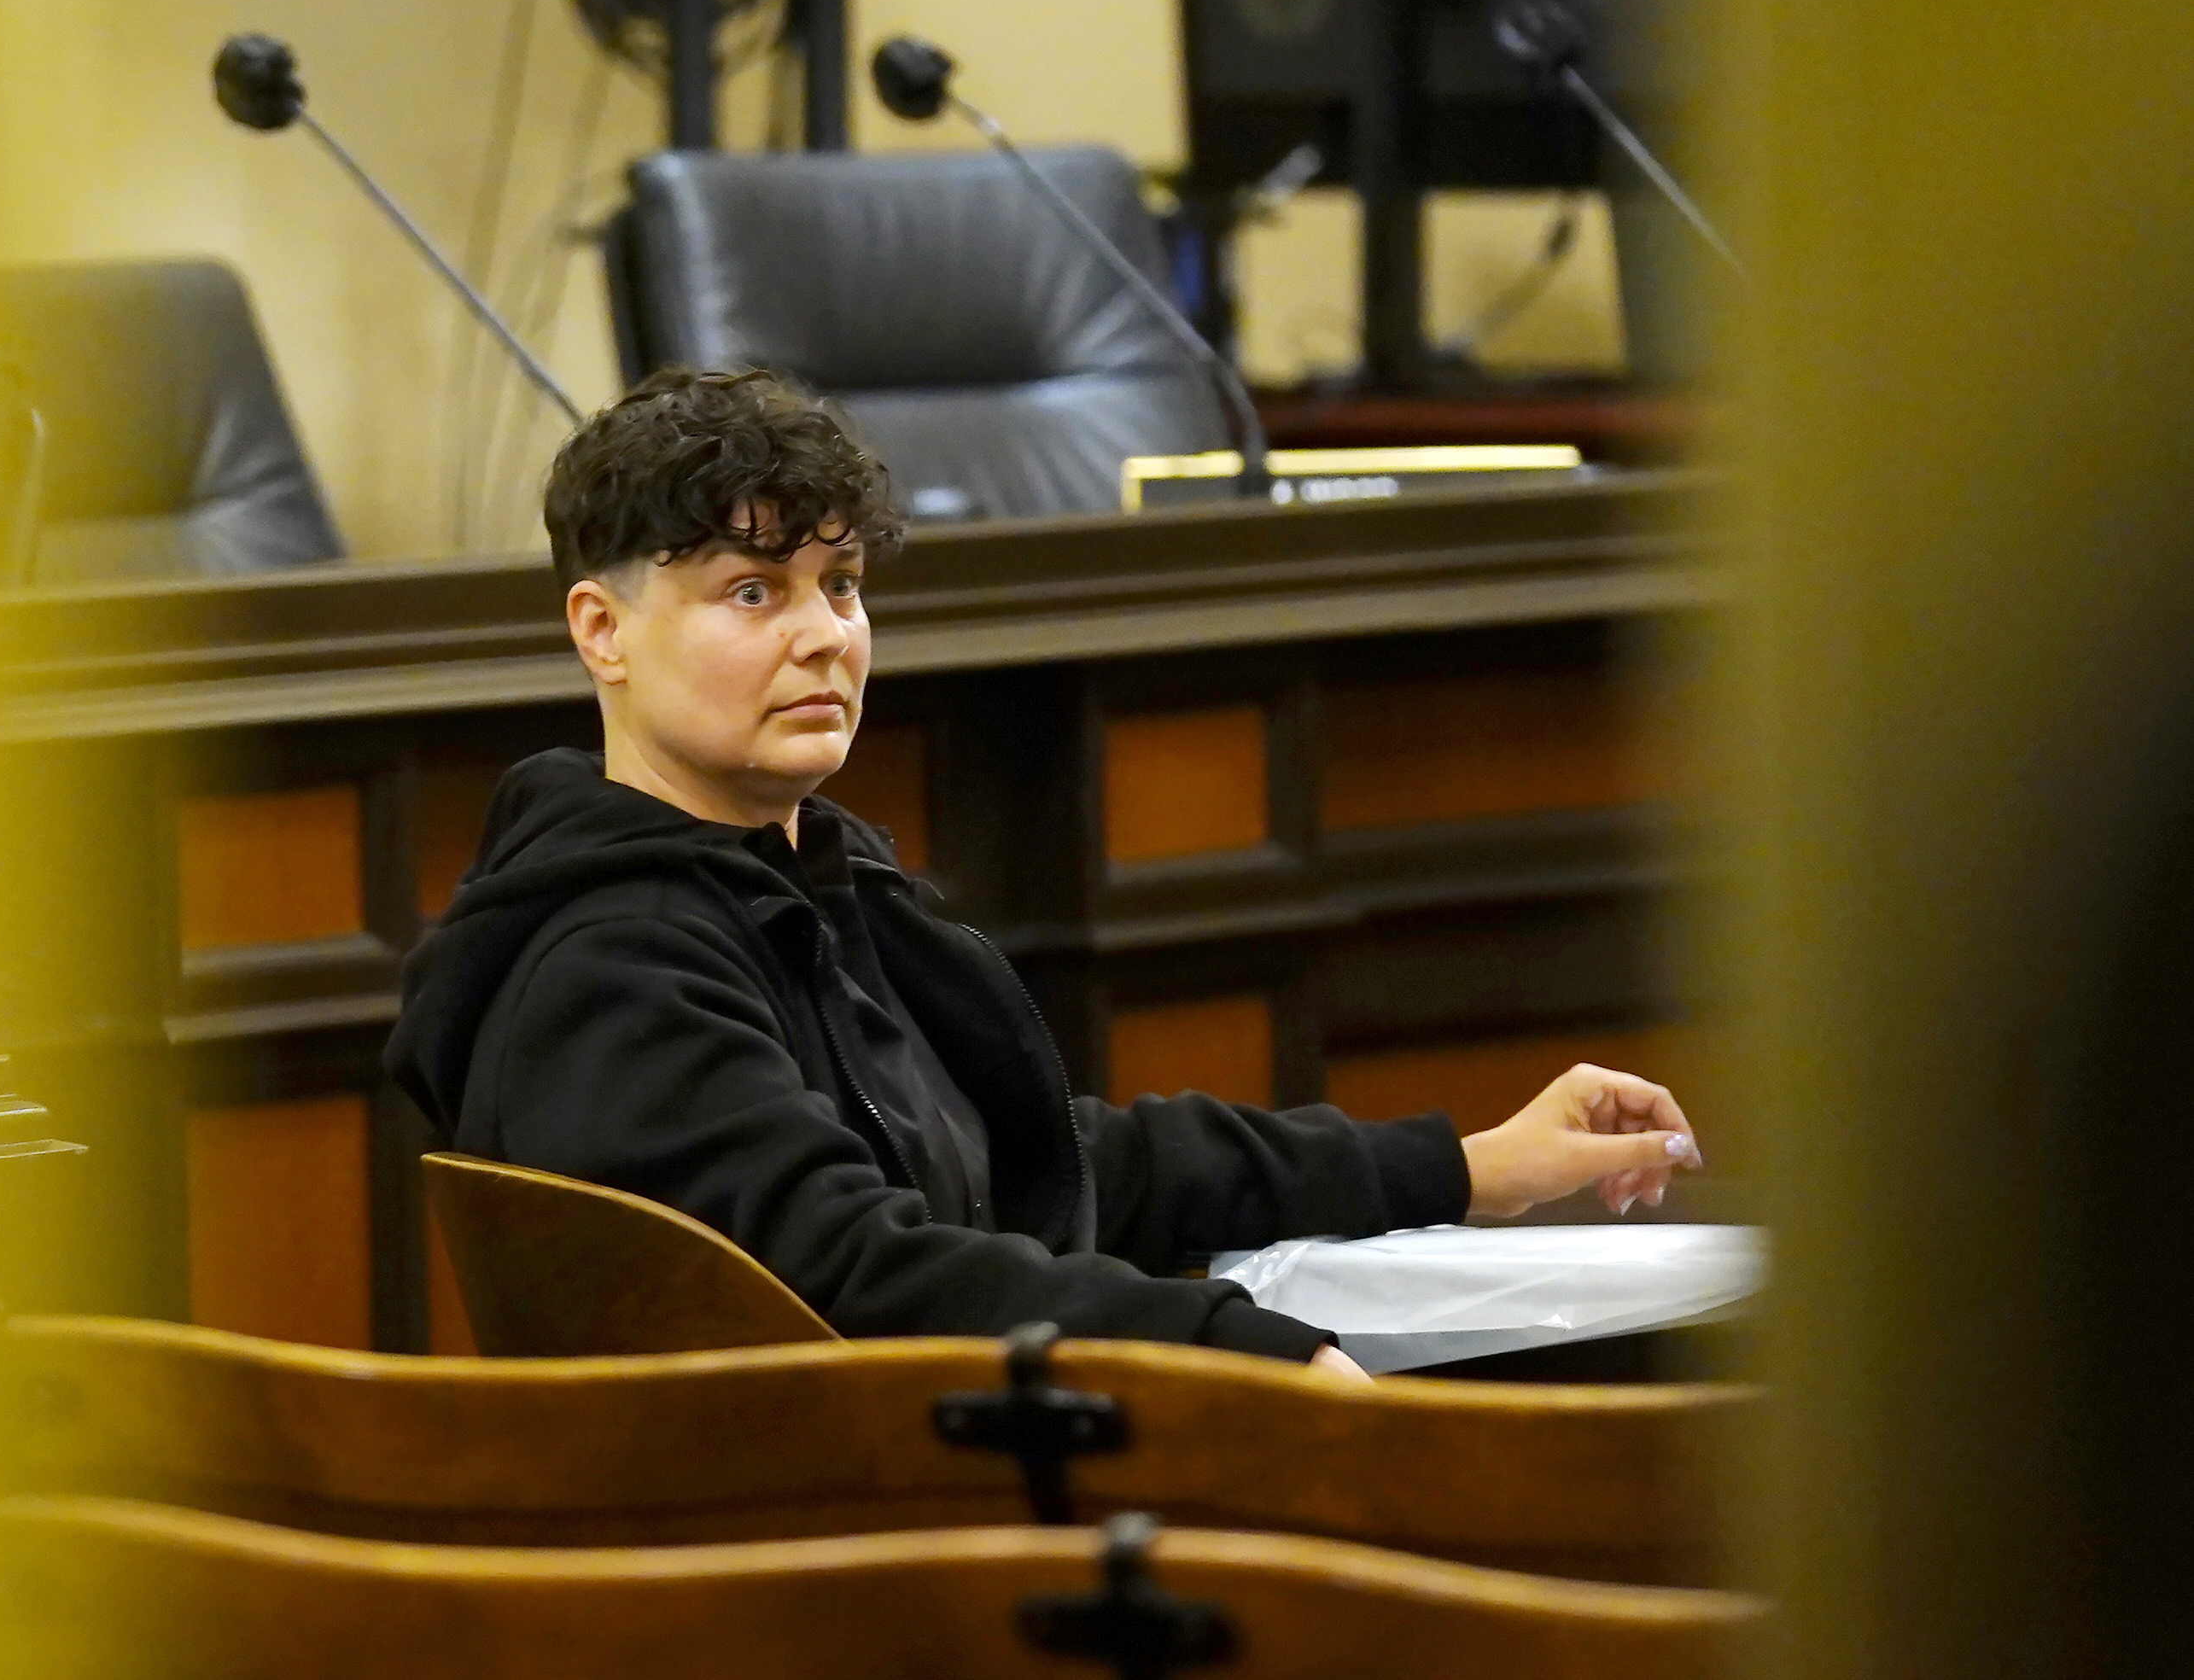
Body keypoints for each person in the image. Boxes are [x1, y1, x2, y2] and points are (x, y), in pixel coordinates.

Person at [386, 368, 1701, 1379]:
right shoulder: (610, 962)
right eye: (750, 592)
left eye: (838, 585)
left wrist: (1463, 1169)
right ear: (601, 631)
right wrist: (1244, 1349)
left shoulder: (811, 878)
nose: (821, 637)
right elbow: (858, 1276)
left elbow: (1064, 1165)